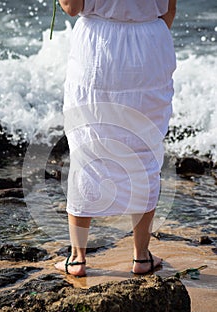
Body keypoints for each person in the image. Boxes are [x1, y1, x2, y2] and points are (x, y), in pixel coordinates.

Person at [55, 0, 177, 277]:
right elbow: (169, 9)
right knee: (145, 146)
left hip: (99, 46)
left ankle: (77, 258)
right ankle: (141, 256)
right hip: (151, 44)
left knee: (87, 145)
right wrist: (143, 32)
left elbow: (72, 6)